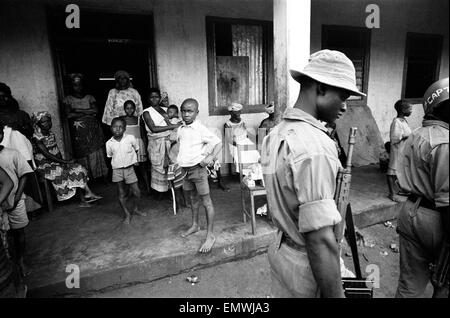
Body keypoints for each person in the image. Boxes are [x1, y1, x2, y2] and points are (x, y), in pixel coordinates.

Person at [261, 50, 366, 298]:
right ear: (320, 88)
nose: (344, 107)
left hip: (282, 248)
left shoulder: (276, 132)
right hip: (307, 260)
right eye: (342, 96)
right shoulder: (315, 146)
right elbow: (319, 239)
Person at [395, 77, 449, 298]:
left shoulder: (415, 134)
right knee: (443, 284)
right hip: (438, 219)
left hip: (409, 212)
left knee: (409, 286)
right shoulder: (445, 142)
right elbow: (447, 200)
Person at [178, 98, 222, 253]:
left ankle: (210, 235)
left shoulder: (200, 128)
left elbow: (218, 143)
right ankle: (195, 225)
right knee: (192, 199)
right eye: (183, 110)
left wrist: (210, 158)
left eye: (189, 111)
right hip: (186, 171)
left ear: (196, 112)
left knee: (207, 202)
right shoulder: (181, 128)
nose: (186, 114)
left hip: (198, 170)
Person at [31, 111, 102, 207]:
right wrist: (65, 162)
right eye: (43, 122)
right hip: (45, 165)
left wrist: (65, 162)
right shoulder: (37, 137)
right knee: (60, 171)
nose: (47, 123)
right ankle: (85, 196)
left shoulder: (50, 134)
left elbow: (56, 150)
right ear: (37, 123)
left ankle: (86, 196)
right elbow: (47, 155)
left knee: (77, 167)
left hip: (56, 161)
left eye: (49, 121)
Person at [0, 125, 33, 279]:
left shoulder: (12, 153)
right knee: (6, 236)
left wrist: (18, 196)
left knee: (19, 233)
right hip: (2, 205)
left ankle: (21, 260)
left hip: (16, 200)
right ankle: (11, 264)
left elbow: (24, 174)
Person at [63, 73, 108, 180]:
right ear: (71, 86)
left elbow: (95, 110)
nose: (78, 87)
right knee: (82, 154)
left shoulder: (90, 97)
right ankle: (86, 178)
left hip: (93, 131)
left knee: (97, 152)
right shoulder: (68, 99)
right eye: (75, 85)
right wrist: (88, 113)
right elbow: (69, 115)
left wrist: (77, 110)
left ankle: (101, 176)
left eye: (79, 85)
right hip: (79, 133)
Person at [106, 117, 146, 224]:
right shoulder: (109, 143)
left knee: (136, 191)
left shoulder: (130, 138)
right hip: (117, 170)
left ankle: (136, 209)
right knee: (121, 192)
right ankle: (127, 214)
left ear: (124, 129)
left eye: (120, 127)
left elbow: (137, 148)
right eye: (115, 127)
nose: (117, 129)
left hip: (130, 169)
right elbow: (109, 156)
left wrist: (135, 160)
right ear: (111, 128)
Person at [142, 88, 180, 196]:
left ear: (160, 98)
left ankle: (171, 190)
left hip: (169, 142)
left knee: (171, 166)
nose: (154, 99)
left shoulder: (165, 109)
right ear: (148, 99)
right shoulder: (146, 112)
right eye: (152, 97)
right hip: (156, 143)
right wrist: (172, 126)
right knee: (159, 167)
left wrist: (175, 125)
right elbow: (153, 128)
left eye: (157, 97)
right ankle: (160, 192)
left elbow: (174, 119)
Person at [121, 100, 150, 193]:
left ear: (135, 109)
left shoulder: (138, 119)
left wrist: (145, 147)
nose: (130, 110)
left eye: (132, 108)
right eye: (127, 108)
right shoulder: (122, 120)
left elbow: (142, 134)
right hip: (127, 146)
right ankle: (131, 190)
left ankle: (148, 187)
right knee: (129, 169)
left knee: (142, 168)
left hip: (138, 145)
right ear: (124, 109)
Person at [387, 100, 412, 202]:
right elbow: (395, 138)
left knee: (401, 171)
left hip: (403, 150)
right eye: (409, 109)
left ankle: (403, 189)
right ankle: (392, 194)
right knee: (392, 172)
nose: (411, 111)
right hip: (397, 151)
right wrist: (410, 136)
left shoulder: (403, 121)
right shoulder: (396, 122)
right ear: (403, 110)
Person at [224, 102, 248, 175]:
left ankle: (252, 173)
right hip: (234, 145)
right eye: (236, 114)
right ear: (231, 114)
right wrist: (238, 145)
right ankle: (242, 173)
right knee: (239, 155)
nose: (238, 115)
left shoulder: (242, 122)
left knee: (253, 153)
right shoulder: (227, 124)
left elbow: (246, 134)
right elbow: (229, 139)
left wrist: (247, 143)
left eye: (239, 113)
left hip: (244, 142)